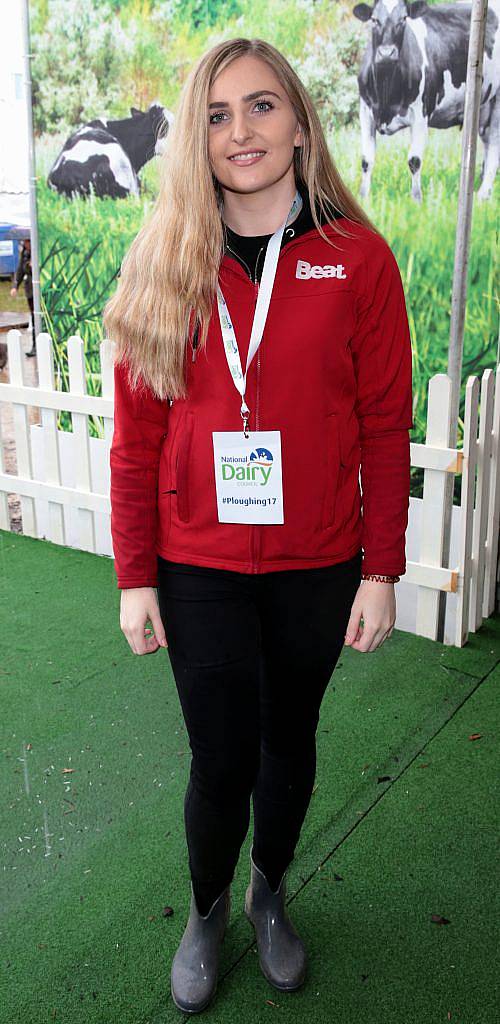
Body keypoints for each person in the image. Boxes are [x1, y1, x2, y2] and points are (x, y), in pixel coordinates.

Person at [104, 37, 413, 1015]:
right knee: (220, 755)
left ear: (298, 123)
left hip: (316, 563)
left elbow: (380, 423)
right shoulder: (165, 259)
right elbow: (133, 439)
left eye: (260, 106)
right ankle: (206, 908)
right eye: (215, 113)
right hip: (196, 565)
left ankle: (268, 891)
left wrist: (379, 570)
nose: (239, 131)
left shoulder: (354, 258)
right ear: (194, 136)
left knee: (289, 742)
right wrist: (135, 577)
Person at [10, 237, 37, 356]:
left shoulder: (38, 251)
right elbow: (20, 270)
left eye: (28, 241)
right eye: (25, 242)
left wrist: (34, 265)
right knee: (34, 317)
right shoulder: (25, 253)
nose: (25, 244)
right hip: (30, 291)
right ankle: (34, 346)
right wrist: (15, 286)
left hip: (41, 291)